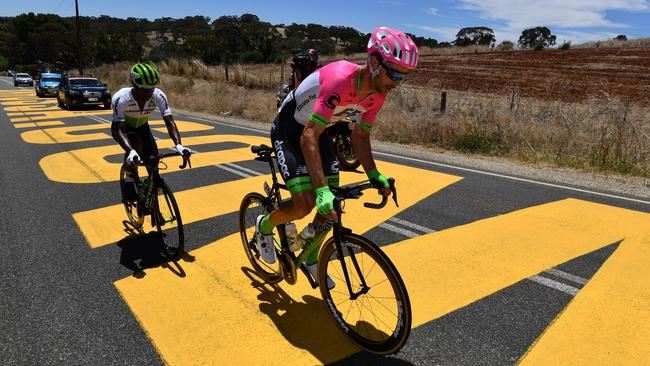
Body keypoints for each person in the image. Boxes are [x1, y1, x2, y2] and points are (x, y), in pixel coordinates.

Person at [256, 27, 419, 288]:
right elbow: (307, 135)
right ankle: (264, 225)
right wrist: (320, 190)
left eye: (405, 75)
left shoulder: (378, 94)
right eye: (395, 72)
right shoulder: (340, 80)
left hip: (320, 130)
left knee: (332, 206)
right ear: (375, 62)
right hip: (291, 129)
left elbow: (360, 137)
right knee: (306, 203)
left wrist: (374, 175)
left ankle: (309, 255)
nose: (398, 81)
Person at [111, 63, 191, 204]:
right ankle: (130, 176)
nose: (149, 93)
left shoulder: (158, 96)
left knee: (153, 160)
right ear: (134, 85)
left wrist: (179, 145)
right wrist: (130, 151)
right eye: (145, 89)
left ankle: (152, 201)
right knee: (136, 144)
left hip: (142, 126)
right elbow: (119, 130)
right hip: (123, 129)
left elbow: (169, 122)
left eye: (152, 88)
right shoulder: (120, 98)